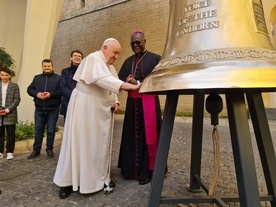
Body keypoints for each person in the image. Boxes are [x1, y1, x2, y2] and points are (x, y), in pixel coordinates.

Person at [53, 38, 141, 199]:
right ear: (105, 48)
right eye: (115, 52)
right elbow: (103, 80)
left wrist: (115, 101)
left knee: (96, 147)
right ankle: (68, 182)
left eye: (118, 54)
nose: (116, 56)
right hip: (84, 108)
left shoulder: (109, 67)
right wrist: (132, 86)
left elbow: (111, 86)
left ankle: (98, 179)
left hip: (100, 113)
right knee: (78, 143)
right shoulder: (93, 58)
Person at [117, 30, 162, 185]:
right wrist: (127, 80)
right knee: (131, 136)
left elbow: (159, 79)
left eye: (138, 42)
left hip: (148, 102)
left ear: (144, 41)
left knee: (149, 137)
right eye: (133, 43)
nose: (136, 45)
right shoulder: (128, 61)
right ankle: (130, 169)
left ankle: (149, 170)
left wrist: (139, 82)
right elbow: (120, 78)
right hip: (132, 104)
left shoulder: (155, 58)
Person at [27, 59, 62, 159]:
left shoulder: (58, 78)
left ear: (52, 67)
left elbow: (61, 91)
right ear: (42, 67)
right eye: (45, 66)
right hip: (39, 109)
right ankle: (36, 150)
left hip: (53, 109)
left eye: (49, 66)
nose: (47, 68)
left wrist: (50, 95)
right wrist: (37, 94)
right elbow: (29, 89)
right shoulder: (37, 78)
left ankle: (49, 149)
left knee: (51, 130)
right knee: (38, 130)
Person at [0, 67, 21, 160]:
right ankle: (0, 152)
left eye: (6, 75)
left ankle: (9, 151)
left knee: (11, 133)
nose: (4, 77)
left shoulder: (14, 86)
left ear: (10, 75)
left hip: (10, 112)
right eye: (2, 75)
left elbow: (17, 99)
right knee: (0, 133)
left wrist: (8, 110)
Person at [60, 50, 83, 121]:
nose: (77, 57)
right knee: (67, 127)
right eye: (75, 56)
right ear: (71, 58)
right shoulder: (65, 71)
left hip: (81, 103)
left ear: (82, 59)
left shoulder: (85, 71)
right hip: (68, 102)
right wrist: (74, 95)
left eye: (79, 56)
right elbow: (62, 86)